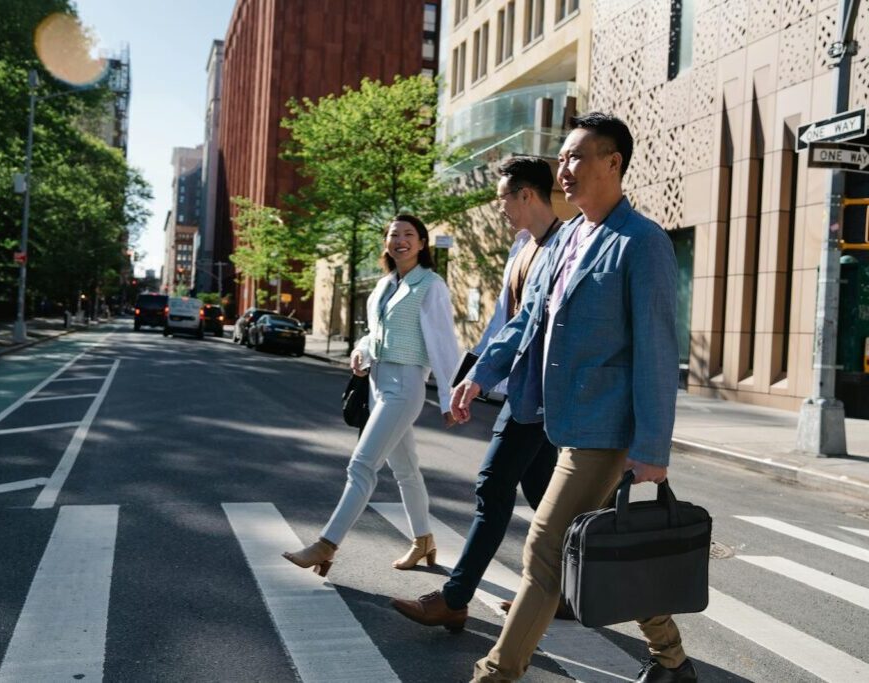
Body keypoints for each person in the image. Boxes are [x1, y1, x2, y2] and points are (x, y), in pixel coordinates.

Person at [456, 113, 695, 683]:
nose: (563, 168)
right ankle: (673, 662)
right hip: (562, 421)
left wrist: (651, 448)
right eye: (561, 157)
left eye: (577, 157)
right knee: (608, 546)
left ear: (613, 163)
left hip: (607, 430)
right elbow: (526, 323)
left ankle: (496, 673)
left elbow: (658, 353)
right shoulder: (565, 240)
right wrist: (478, 373)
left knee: (544, 549)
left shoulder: (642, 243)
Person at [391, 156, 568, 632]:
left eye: (503, 198)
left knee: (493, 486)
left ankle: (455, 597)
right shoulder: (520, 247)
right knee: (542, 493)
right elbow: (501, 324)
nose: (500, 208)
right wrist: (470, 376)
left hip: (540, 394)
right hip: (520, 388)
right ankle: (565, 592)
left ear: (526, 195)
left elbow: (540, 328)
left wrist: (481, 379)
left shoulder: (565, 246)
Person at [283, 214, 459, 576]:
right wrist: (361, 349)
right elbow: (373, 332)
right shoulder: (383, 285)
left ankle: (326, 544)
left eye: (409, 234)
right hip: (378, 384)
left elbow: (444, 343)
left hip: (406, 385)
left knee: (361, 465)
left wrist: (449, 397)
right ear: (386, 243)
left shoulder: (431, 284)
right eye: (394, 235)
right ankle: (423, 539)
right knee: (406, 471)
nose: (400, 240)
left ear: (423, 243)